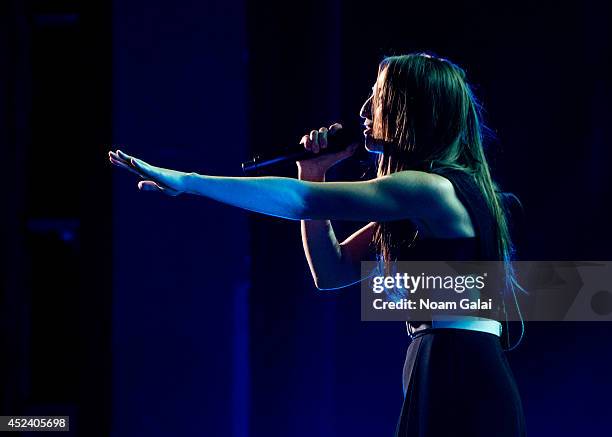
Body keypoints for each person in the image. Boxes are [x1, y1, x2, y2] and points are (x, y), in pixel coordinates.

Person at [109, 52, 526, 436]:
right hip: (441, 361)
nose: (363, 110)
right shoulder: (419, 198)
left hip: (459, 367)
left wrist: (189, 182)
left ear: (411, 108)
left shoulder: (430, 189)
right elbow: (332, 271)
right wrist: (312, 171)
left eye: (378, 97)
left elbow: (298, 202)